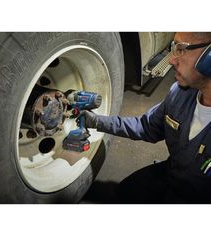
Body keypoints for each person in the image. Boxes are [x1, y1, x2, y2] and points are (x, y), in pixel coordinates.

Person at [81, 32, 211, 203]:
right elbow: (146, 127)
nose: (171, 60)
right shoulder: (179, 94)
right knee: (126, 191)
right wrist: (96, 121)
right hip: (173, 174)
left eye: (181, 49)